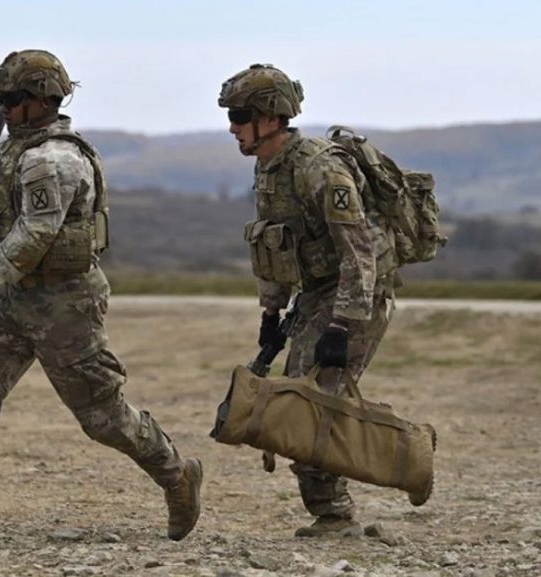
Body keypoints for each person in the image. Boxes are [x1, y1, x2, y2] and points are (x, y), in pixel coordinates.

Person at [0, 49, 202, 541]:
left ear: (41, 100)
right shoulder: (18, 151)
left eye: (12, 99)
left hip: (64, 303)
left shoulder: (52, 160)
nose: (4, 108)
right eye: (0, 98)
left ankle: (176, 474)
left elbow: (37, 232)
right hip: (17, 298)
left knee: (102, 416)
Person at [218, 64, 398, 537]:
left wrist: (341, 325)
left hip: (355, 293)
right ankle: (331, 511)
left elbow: (359, 252)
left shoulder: (320, 168)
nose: (232, 127)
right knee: (303, 397)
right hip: (317, 292)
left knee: (309, 401)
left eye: (239, 116)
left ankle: (338, 512)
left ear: (271, 117)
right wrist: (271, 310)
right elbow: (272, 243)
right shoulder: (269, 167)